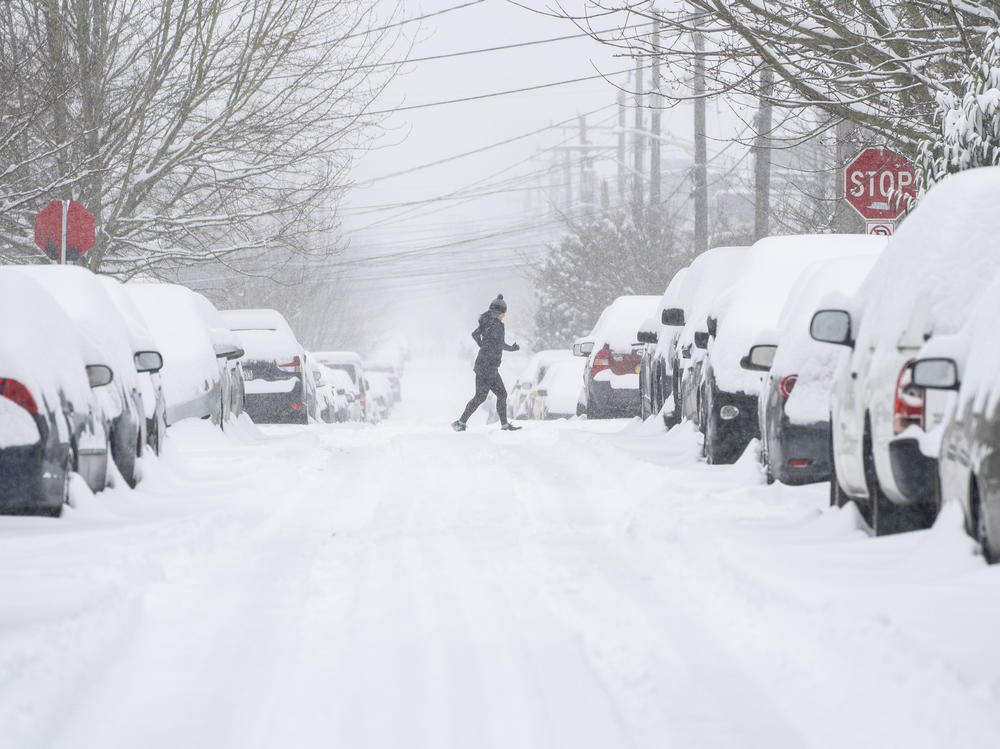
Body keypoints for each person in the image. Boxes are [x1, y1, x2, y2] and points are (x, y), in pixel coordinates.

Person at [452, 294, 522, 431]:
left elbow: (475, 334)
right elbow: (499, 344)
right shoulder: (497, 325)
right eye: (504, 313)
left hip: (481, 365)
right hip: (490, 367)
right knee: (502, 394)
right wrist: (512, 349)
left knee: (480, 397)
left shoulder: (486, 321)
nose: (504, 315)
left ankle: (460, 423)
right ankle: (504, 425)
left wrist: (482, 345)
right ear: (501, 313)